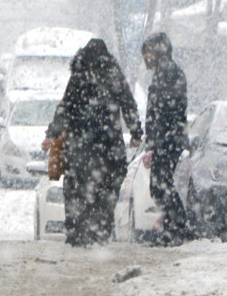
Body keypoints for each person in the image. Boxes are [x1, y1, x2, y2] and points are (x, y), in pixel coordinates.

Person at [41, 38, 142, 247]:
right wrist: (135, 131)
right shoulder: (114, 75)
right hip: (108, 146)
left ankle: (77, 231)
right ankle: (101, 230)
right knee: (106, 188)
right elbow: (128, 104)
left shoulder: (79, 76)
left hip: (80, 146)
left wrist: (52, 134)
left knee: (76, 188)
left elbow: (65, 107)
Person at [140, 31, 190, 246]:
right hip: (168, 138)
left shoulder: (167, 73)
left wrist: (154, 144)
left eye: (149, 51)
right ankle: (174, 227)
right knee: (161, 184)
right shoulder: (165, 72)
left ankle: (176, 228)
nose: (146, 57)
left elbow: (161, 113)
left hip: (167, 138)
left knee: (160, 185)